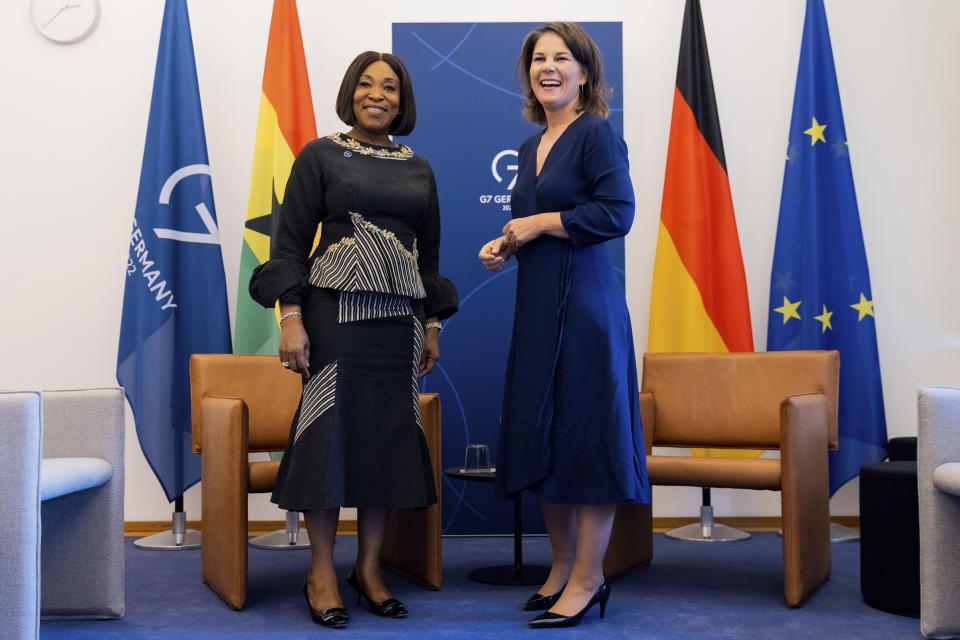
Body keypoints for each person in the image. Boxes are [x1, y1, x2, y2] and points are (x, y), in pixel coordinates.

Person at [249, 51, 457, 628]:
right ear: (350, 93)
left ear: (402, 100)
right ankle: (320, 570)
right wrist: (290, 314)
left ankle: (368, 570)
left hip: (400, 321)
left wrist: (433, 324)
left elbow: (430, 253)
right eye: (366, 84)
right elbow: (289, 241)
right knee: (328, 438)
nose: (378, 94)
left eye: (389, 87)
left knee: (384, 441)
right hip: (333, 312)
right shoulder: (321, 154)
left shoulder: (420, 168)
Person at [478, 22, 649, 628]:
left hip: (586, 307)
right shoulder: (530, 147)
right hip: (537, 302)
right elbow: (539, 225)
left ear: (583, 71)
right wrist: (508, 243)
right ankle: (560, 568)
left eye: (561, 57)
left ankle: (589, 578)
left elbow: (616, 212)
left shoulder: (597, 132)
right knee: (541, 434)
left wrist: (539, 221)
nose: (547, 67)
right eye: (537, 59)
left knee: (585, 434)